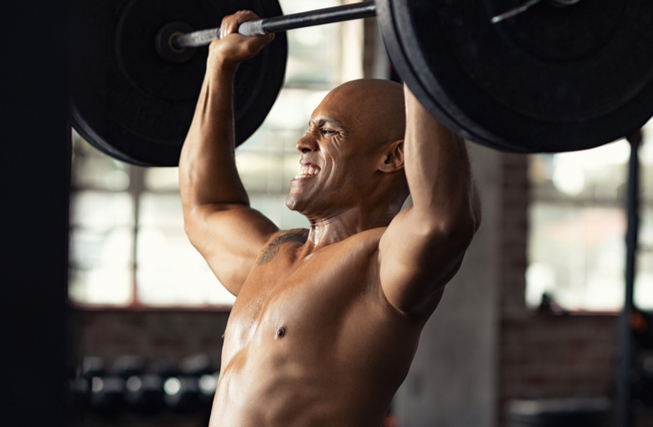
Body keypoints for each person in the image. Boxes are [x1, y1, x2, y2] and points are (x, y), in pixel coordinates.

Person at [179, 10, 481, 427]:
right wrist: (219, 66)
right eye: (309, 129)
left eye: (329, 132)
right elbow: (205, 208)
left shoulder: (379, 267)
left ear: (393, 157)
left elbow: (445, 219)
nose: (304, 143)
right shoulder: (275, 255)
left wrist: (420, 41)